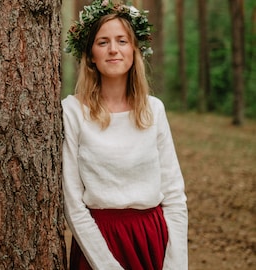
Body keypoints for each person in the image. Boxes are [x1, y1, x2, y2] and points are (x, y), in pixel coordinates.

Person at [62, 1, 188, 269]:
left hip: (152, 239)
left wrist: (175, 263)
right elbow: (73, 205)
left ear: (134, 50)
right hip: (99, 243)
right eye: (103, 42)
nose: (113, 50)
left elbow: (174, 195)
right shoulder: (73, 111)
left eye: (122, 40)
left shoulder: (153, 109)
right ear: (90, 55)